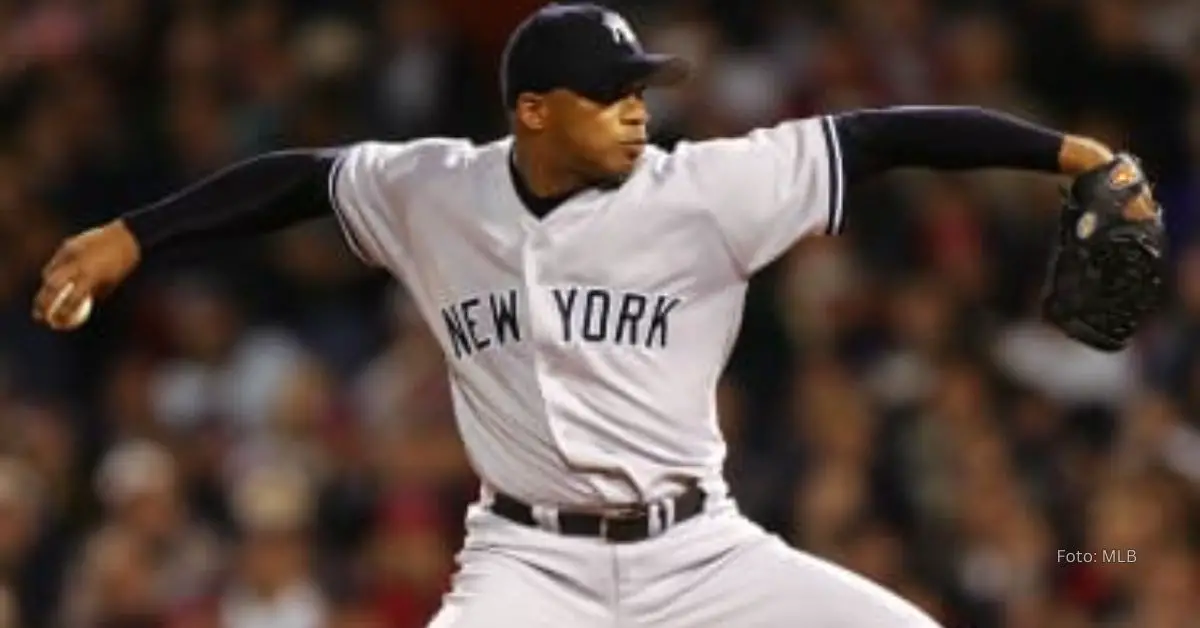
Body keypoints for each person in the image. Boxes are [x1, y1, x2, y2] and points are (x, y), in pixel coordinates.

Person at [31, 3, 1160, 626]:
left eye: (641, 91)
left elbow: (885, 137)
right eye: (612, 95)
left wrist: (1071, 154)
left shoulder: (706, 189)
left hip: (702, 553)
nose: (636, 112)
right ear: (532, 111)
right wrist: (139, 234)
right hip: (526, 561)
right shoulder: (435, 190)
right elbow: (294, 178)